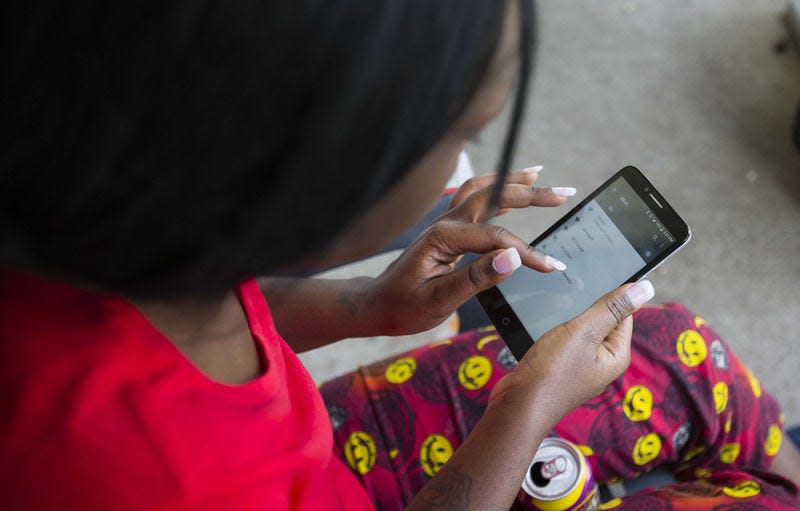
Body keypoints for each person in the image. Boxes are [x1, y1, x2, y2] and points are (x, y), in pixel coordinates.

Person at [1, 1, 798, 510]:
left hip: (318, 452)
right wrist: (525, 412)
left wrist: (366, 307)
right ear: (301, 187)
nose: (463, 166)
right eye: (461, 137)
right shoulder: (149, 480)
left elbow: (227, 313)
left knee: (674, 345)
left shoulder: (116, 237)